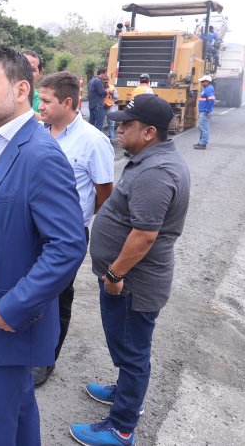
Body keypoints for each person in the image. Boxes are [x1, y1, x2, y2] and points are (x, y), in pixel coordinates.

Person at [0, 46, 86, 446]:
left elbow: (67, 246)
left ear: (20, 90)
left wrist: (11, 310)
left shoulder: (39, 155)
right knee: (18, 418)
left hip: (4, 326)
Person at [71, 93, 191, 446]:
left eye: (126, 124)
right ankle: (124, 391)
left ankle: (121, 427)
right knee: (129, 347)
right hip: (129, 280)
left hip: (132, 283)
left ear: (150, 131)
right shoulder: (149, 160)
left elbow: (143, 236)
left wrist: (114, 275)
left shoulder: (157, 173)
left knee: (134, 352)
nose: (118, 128)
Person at [31, 71, 116, 388]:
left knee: (55, 297)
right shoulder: (38, 133)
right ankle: (11, 344)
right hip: (30, 229)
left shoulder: (94, 141)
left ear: (68, 102)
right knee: (22, 286)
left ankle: (45, 359)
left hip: (65, 236)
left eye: (47, 100)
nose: (40, 105)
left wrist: (74, 219)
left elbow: (104, 193)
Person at [194, 75, 215, 150]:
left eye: (203, 81)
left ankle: (203, 144)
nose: (201, 83)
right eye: (201, 81)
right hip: (203, 111)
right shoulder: (206, 88)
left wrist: (207, 110)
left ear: (208, 82)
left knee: (204, 128)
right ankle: (201, 142)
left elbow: (212, 100)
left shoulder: (208, 89)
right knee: (202, 127)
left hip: (204, 112)